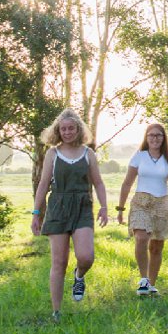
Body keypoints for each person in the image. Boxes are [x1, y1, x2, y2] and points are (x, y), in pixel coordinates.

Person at [31, 108, 110, 320]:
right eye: (63, 129)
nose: (67, 132)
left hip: (83, 205)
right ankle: (56, 312)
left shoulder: (88, 153)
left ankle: (79, 275)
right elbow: (43, 184)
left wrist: (104, 206)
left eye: (71, 128)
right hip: (58, 206)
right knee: (59, 262)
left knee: (86, 256)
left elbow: (99, 183)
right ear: (58, 131)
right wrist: (36, 213)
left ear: (78, 129)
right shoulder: (52, 154)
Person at [115, 122, 168, 296]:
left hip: (162, 203)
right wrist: (120, 209)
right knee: (141, 238)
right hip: (141, 202)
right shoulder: (139, 156)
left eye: (158, 135)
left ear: (163, 138)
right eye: (151, 135)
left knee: (156, 247)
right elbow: (127, 183)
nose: (155, 138)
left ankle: (152, 284)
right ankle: (143, 279)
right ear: (146, 137)